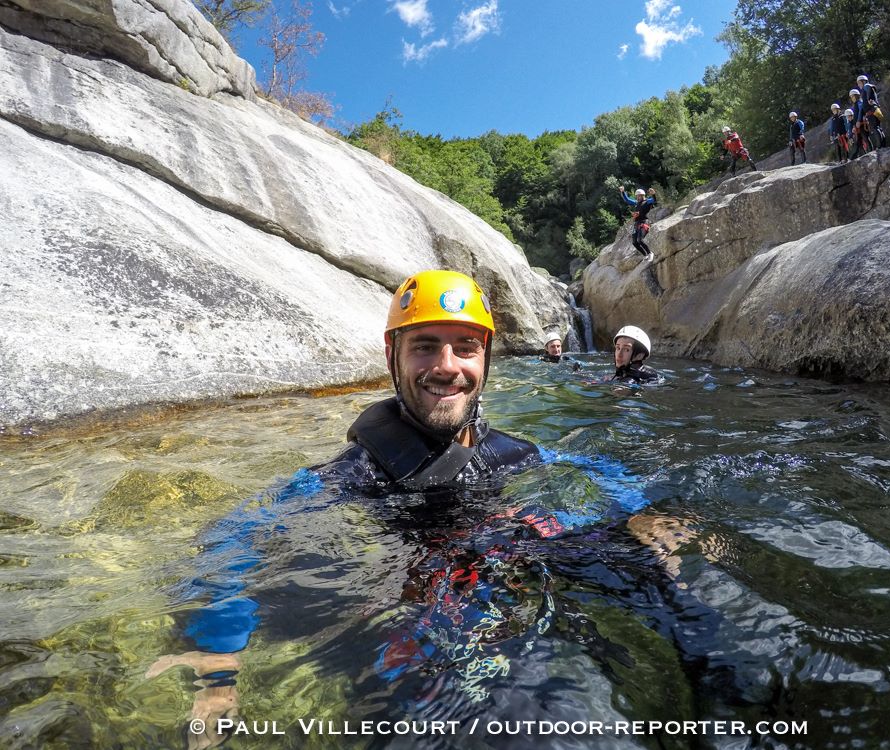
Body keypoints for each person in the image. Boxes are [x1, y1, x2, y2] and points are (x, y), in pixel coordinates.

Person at [147, 270, 652, 742]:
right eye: (425, 347)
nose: (446, 367)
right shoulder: (354, 474)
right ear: (393, 354)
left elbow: (605, 475)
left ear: (485, 358)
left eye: (465, 347)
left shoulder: (516, 453)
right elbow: (232, 538)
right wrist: (218, 656)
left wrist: (648, 509)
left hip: (513, 600)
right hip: (419, 634)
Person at [618, 185, 656, 258]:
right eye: (637, 196)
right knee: (634, 242)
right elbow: (627, 200)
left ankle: (650, 253)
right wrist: (623, 192)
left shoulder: (647, 202)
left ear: (643, 196)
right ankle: (645, 255)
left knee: (640, 240)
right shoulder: (636, 203)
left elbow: (653, 200)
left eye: (639, 196)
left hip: (644, 223)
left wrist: (653, 194)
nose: (638, 198)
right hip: (636, 224)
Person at [857, 74, 885, 150]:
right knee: (878, 128)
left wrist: (869, 98)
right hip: (873, 110)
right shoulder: (864, 90)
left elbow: (869, 87)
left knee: (875, 128)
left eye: (859, 82)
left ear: (863, 81)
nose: (858, 84)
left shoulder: (866, 86)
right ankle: (883, 145)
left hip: (871, 111)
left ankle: (880, 146)